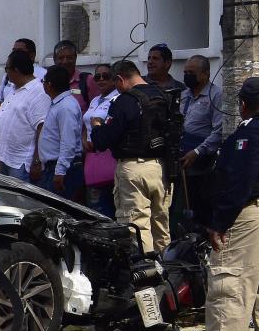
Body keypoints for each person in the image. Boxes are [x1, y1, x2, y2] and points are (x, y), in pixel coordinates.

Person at [188, 77, 259, 331]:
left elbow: (238, 183)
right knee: (258, 291)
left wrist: (219, 223)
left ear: (243, 105)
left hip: (246, 215)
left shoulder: (250, 134)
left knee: (229, 282)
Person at [90, 60, 172, 254]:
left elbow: (103, 141)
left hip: (133, 169)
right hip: (163, 168)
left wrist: (97, 127)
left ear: (120, 79)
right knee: (161, 225)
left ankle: (146, 276)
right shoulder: (163, 96)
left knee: (136, 226)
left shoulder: (124, 101)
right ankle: (169, 273)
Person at [0, 50, 49, 181]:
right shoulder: (14, 89)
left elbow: (42, 128)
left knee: (21, 199)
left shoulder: (38, 92)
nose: (6, 73)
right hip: (5, 159)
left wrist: (37, 161)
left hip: (21, 162)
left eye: (7, 68)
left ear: (17, 70)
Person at [176, 54, 223, 227]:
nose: (187, 75)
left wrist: (198, 151)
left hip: (202, 161)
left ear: (205, 73)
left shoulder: (216, 95)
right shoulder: (184, 95)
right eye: (185, 72)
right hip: (182, 160)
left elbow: (219, 130)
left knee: (202, 208)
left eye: (192, 72)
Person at [34, 65, 84, 196]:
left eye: (43, 82)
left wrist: (60, 171)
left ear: (49, 85)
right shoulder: (58, 103)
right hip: (52, 167)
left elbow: (68, 141)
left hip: (63, 168)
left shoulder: (66, 106)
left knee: (59, 212)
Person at [81, 64, 120, 217]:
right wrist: (84, 140)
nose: (101, 79)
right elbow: (86, 123)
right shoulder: (95, 99)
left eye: (106, 76)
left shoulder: (118, 98)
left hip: (109, 156)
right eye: (98, 76)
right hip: (92, 156)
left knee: (111, 203)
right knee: (95, 206)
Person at [52, 39, 96, 112]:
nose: (65, 61)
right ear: (54, 59)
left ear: (75, 58)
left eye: (69, 58)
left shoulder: (88, 81)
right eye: (61, 58)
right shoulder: (49, 84)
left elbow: (97, 111)